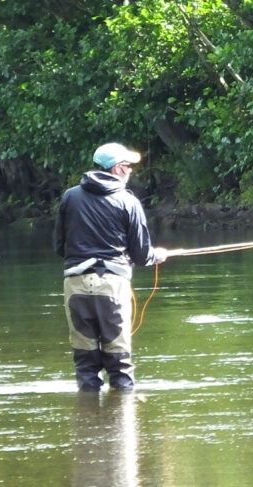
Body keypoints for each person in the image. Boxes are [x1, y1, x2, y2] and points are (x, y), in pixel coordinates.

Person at [54, 142, 167, 391]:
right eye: (128, 166)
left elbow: (59, 247)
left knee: (85, 363)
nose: (130, 171)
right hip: (112, 287)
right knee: (119, 363)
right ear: (117, 169)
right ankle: (122, 422)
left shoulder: (70, 197)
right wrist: (155, 256)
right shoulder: (128, 201)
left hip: (75, 285)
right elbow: (141, 255)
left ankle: (88, 421)